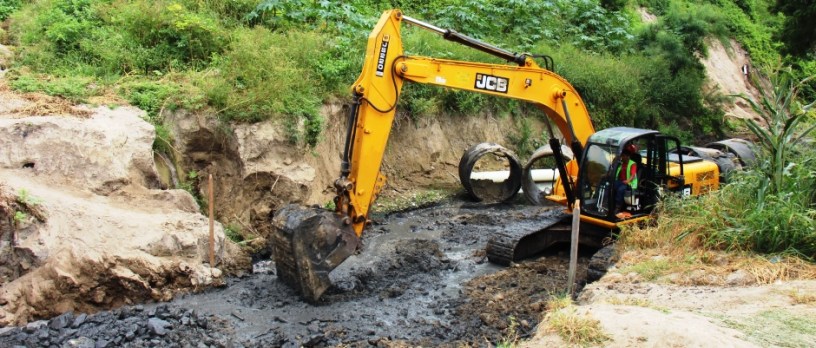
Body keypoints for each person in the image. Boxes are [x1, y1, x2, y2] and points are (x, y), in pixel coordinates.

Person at [614, 143, 638, 213]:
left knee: (620, 190)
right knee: (611, 186)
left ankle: (618, 207)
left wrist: (627, 181)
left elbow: (633, 175)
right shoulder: (621, 163)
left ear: (627, 156)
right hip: (621, 182)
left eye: (623, 156)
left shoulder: (632, 164)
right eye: (621, 156)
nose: (622, 157)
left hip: (629, 184)